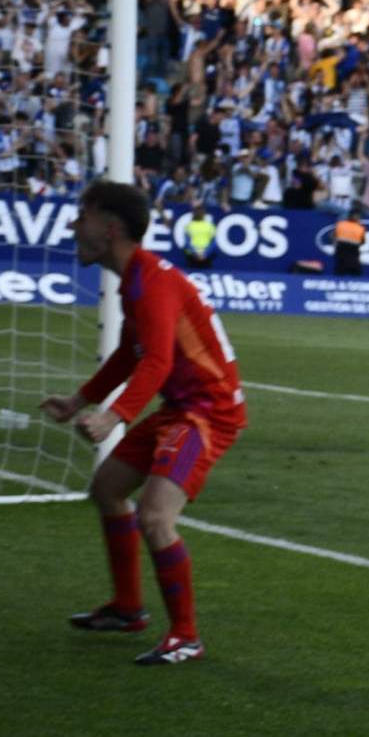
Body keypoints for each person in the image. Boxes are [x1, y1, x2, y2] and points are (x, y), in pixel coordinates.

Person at [39, 183, 245, 667]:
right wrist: (79, 400)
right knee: (108, 488)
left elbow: (156, 361)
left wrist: (113, 415)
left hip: (208, 412)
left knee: (155, 516)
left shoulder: (150, 284)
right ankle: (128, 608)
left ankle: (186, 636)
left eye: (83, 216)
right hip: (181, 407)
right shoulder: (137, 280)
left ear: (110, 229)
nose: (74, 225)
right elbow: (129, 356)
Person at [333, 204, 365, 275]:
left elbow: (333, 237)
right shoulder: (360, 228)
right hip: (352, 253)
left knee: (340, 271)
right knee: (355, 272)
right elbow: (362, 242)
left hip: (342, 251)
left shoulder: (340, 224)